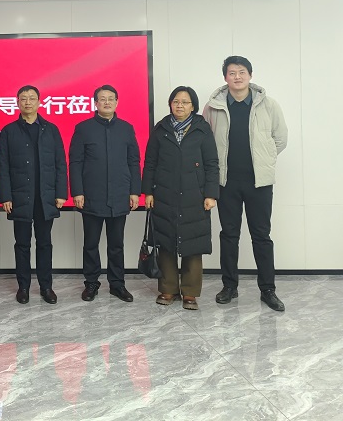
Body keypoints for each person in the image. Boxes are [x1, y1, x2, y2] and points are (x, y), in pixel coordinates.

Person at [203, 56, 288, 312]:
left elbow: (280, 138)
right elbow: (205, 143)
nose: (237, 77)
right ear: (225, 77)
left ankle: (268, 289)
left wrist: (264, 161)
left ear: (250, 75)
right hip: (226, 182)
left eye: (242, 72)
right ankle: (229, 286)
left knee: (261, 235)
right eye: (232, 73)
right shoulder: (213, 107)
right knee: (229, 235)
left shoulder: (268, 105)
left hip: (259, 182)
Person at [142, 86, 219, 310]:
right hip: (164, 193)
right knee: (165, 241)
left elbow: (212, 164)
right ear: (170, 104)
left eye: (185, 102)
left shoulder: (202, 129)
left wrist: (211, 194)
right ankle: (168, 289)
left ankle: (190, 292)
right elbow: (150, 163)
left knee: (192, 243)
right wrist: (148, 192)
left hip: (195, 195)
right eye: (176, 101)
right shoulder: (161, 129)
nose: (180, 106)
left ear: (193, 106)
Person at [69, 85, 141, 303]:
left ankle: (117, 284)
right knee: (91, 243)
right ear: (96, 103)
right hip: (92, 195)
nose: (107, 102)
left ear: (117, 102)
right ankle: (91, 283)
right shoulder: (83, 128)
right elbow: (75, 162)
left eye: (111, 98)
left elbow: (133, 161)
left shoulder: (126, 129)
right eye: (102, 99)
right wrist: (77, 191)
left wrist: (134, 191)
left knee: (116, 244)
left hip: (119, 194)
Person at [0, 85, 68, 305]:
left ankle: (46, 287)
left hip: (46, 198)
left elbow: (60, 163)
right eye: (23, 99)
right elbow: (2, 166)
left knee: (45, 243)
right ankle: (24, 287)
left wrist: (61, 193)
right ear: (18, 102)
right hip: (20, 197)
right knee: (22, 244)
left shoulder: (51, 129)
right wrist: (5, 196)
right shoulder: (9, 131)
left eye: (32, 98)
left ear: (39, 102)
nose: (27, 102)